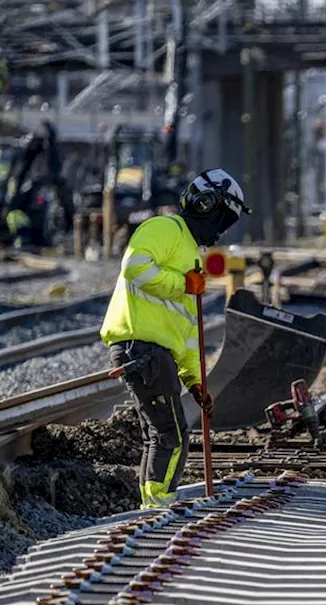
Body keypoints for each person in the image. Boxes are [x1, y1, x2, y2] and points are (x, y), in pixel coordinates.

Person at [100, 169, 251, 509]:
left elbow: (186, 328)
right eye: (224, 219)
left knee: (161, 433)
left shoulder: (191, 253)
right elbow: (135, 267)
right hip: (141, 347)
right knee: (172, 435)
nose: (222, 229)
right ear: (208, 206)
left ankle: (152, 505)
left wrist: (196, 382)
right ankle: (157, 509)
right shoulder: (164, 229)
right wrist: (181, 284)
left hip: (155, 351)